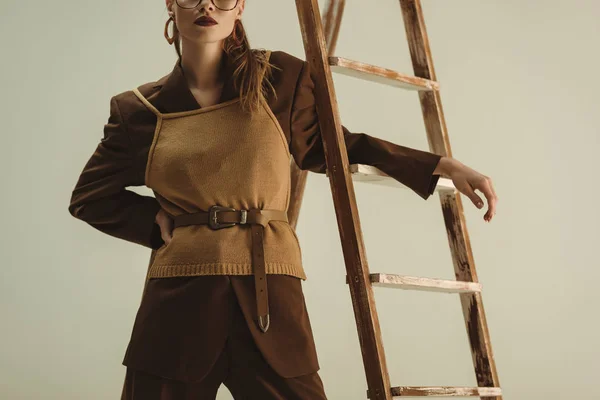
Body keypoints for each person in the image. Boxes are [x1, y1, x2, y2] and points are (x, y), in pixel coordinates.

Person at [68, 0, 498, 398]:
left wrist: (441, 164)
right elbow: (90, 196)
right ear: (169, 3)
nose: (206, 6)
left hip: (268, 291)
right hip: (179, 300)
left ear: (240, 6)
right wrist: (152, 219)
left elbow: (333, 147)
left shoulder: (280, 79)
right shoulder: (137, 110)